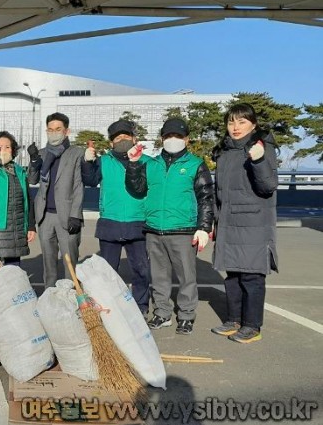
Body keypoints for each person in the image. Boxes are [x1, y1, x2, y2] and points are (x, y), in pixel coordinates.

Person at [125, 117, 214, 335]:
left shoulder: (195, 164)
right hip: (154, 229)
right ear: (162, 138)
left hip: (183, 230)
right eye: (168, 136)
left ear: (187, 139)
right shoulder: (151, 164)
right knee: (159, 277)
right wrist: (134, 165)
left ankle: (186, 315)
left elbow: (206, 197)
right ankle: (162, 313)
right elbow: (136, 189)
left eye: (177, 136)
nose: (172, 139)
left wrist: (204, 226)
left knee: (186, 277)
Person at [210, 103, 278, 344]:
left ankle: (252, 325)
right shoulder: (225, 152)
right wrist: (213, 222)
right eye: (231, 122)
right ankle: (234, 319)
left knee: (251, 276)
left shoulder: (262, 147)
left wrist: (259, 161)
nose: (235, 127)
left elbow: (268, 186)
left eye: (241, 121)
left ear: (253, 124)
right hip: (228, 222)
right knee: (232, 275)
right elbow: (219, 192)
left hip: (253, 223)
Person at [82, 119, 151, 316]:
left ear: (134, 138)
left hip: (138, 221)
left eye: (125, 136)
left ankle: (140, 306)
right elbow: (90, 180)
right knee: (108, 271)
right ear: (111, 142)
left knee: (141, 270)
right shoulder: (103, 161)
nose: (121, 139)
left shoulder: (146, 161)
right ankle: (108, 304)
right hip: (110, 223)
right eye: (116, 137)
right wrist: (88, 162)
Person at [27, 112, 85, 289]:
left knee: (70, 264)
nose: (54, 133)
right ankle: (50, 298)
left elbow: (78, 186)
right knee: (48, 264)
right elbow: (32, 180)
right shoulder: (42, 154)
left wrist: (76, 215)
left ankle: (72, 298)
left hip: (67, 216)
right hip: (45, 217)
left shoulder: (76, 153)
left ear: (66, 131)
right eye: (50, 130)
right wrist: (34, 160)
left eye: (58, 129)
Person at [0, 128, 36, 272]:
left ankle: (12, 294)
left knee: (14, 268)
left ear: (13, 150)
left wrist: (31, 226)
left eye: (7, 147)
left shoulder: (20, 171)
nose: (2, 151)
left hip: (16, 227)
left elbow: (27, 199)